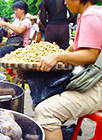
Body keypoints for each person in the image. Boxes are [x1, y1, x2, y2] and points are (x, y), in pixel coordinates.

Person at [34, 0, 102, 140]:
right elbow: (77, 45)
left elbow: (90, 55)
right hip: (94, 78)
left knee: (45, 111)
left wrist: (58, 56)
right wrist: (58, 54)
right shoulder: (88, 13)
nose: (64, 2)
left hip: (98, 85)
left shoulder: (90, 17)